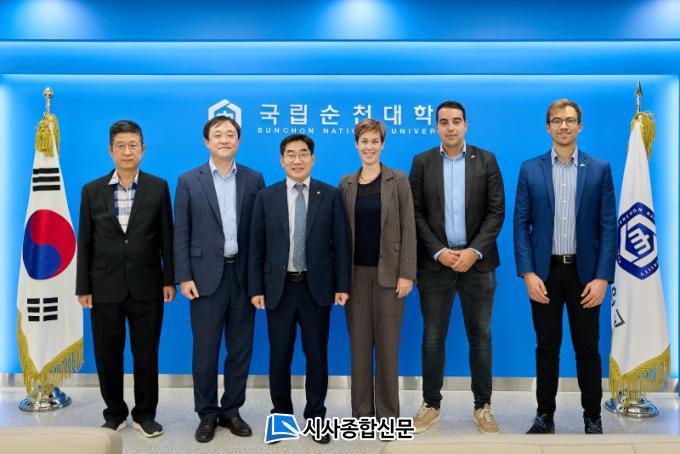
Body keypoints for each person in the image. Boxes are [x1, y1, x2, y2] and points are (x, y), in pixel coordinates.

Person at [513, 99, 616, 435]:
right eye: (557, 120)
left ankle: (592, 417)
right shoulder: (530, 169)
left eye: (570, 120)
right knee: (547, 347)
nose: (564, 126)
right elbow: (521, 223)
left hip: (585, 275)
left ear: (580, 126)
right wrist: (528, 273)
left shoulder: (599, 169)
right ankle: (545, 415)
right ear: (548, 127)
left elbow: (608, 226)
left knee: (587, 348)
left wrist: (602, 278)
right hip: (545, 273)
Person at [408, 101, 505, 434]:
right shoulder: (422, 162)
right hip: (436, 265)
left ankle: (483, 406)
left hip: (478, 265)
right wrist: (438, 251)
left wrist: (474, 251)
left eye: (456, 121)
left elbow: (496, 211)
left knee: (481, 336)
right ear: (436, 126)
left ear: (466, 125)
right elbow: (415, 212)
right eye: (444, 122)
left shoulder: (486, 160)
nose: (450, 127)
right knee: (433, 337)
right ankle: (431, 405)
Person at [248, 133, 351, 445]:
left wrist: (342, 285)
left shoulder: (329, 195)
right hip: (278, 289)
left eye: (303, 153)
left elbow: (341, 245)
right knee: (279, 357)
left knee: (316, 356)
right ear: (281, 161)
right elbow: (256, 247)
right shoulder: (266, 197)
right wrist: (256, 288)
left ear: (312, 159)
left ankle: (316, 417)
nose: (297, 160)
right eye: (290, 154)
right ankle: (281, 418)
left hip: (315, 289)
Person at [76, 120, 175, 438]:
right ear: (110, 151)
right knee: (108, 354)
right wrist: (83, 287)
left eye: (133, 145)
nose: (127, 151)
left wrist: (169, 280)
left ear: (143, 149)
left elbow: (167, 237)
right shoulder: (92, 190)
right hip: (104, 286)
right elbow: (85, 241)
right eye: (121, 145)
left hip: (148, 284)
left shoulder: (158, 187)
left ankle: (145, 414)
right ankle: (114, 413)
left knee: (146, 353)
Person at [174, 116, 265, 443]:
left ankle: (231, 410)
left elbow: (260, 234)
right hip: (204, 278)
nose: (224, 139)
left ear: (238, 141)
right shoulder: (189, 180)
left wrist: (258, 281)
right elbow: (181, 233)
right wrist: (184, 276)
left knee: (240, 349)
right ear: (207, 142)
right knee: (205, 351)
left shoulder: (254, 179)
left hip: (242, 277)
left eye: (230, 134)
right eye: (218, 135)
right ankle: (207, 414)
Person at [338, 119, 416, 421]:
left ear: (382, 145)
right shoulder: (346, 184)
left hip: (390, 277)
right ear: (356, 145)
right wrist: (339, 281)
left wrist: (406, 273)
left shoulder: (398, 180)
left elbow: (409, 228)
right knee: (359, 352)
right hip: (355, 278)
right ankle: (361, 416)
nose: (369, 147)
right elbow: (339, 237)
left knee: (387, 351)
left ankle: (387, 417)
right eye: (364, 141)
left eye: (374, 141)